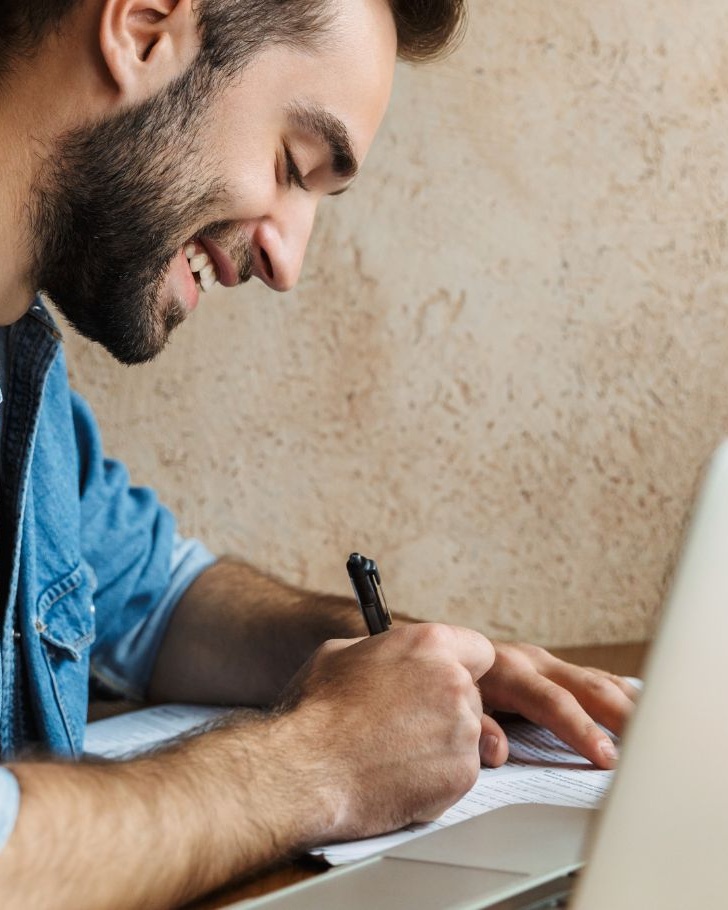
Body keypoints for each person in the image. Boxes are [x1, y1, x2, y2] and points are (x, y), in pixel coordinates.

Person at [0, 1, 638, 907]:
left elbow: (157, 599)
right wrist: (318, 764)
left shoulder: (21, 375)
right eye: (292, 165)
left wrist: (420, 665)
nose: (287, 262)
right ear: (142, 28)